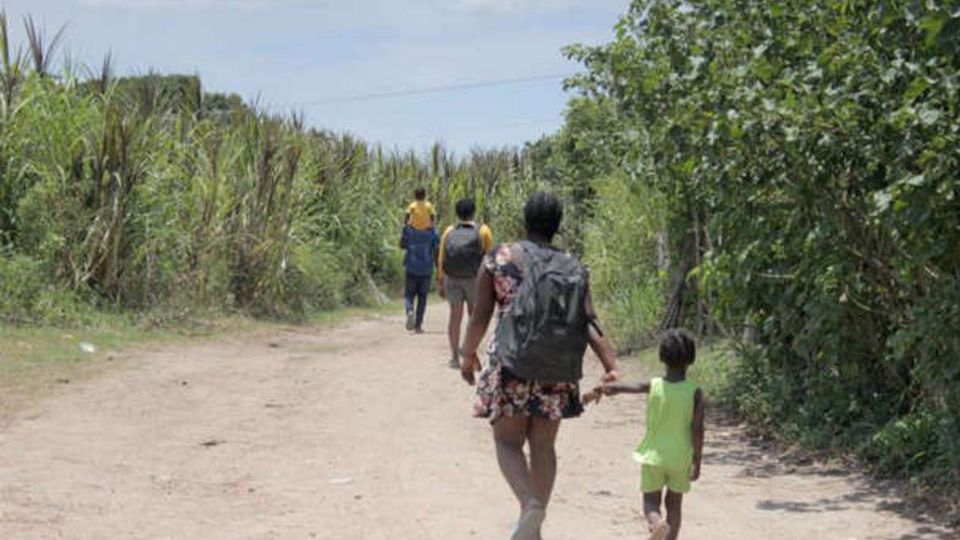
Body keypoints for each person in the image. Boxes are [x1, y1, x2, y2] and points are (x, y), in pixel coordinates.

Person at [459, 191, 621, 540]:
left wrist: (466, 353)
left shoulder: (500, 257)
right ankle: (533, 528)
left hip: (512, 365)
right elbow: (589, 320)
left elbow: (482, 314)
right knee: (544, 447)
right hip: (558, 371)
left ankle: (530, 505)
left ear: (525, 220)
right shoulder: (574, 266)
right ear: (557, 225)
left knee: (507, 443)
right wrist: (610, 364)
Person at [584, 328, 706, 540]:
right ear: (691, 359)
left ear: (661, 357)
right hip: (680, 457)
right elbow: (697, 430)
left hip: (653, 455)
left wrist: (601, 388)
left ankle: (656, 523)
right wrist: (697, 460)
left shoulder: (654, 385)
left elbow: (622, 387)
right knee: (675, 505)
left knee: (651, 501)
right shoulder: (695, 392)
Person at [437, 198, 493, 368]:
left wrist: (440, 281)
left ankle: (454, 357)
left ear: (457, 213)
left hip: (452, 278)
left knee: (455, 317)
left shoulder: (448, 231)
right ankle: (471, 356)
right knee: (473, 317)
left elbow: (441, 258)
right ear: (473, 212)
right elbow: (490, 258)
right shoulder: (483, 231)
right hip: (474, 279)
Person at [400, 222, 439, 333]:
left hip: (411, 266)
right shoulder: (433, 231)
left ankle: (409, 311)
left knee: (409, 294)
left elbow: (402, 245)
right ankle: (418, 325)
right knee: (422, 297)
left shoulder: (408, 229)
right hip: (426, 268)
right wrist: (438, 267)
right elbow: (436, 249)